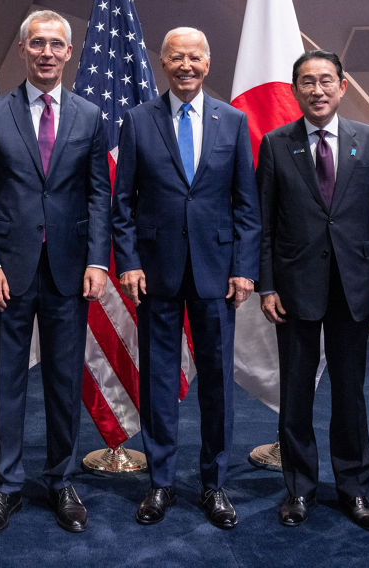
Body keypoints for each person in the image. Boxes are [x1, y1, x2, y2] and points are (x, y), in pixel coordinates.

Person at [0, 10, 111, 536]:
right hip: (7, 271)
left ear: (69, 53)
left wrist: (98, 260)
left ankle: (61, 479)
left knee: (63, 379)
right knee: (6, 380)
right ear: (24, 50)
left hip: (71, 272)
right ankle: (5, 486)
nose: (47, 53)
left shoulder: (90, 115)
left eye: (56, 45)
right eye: (37, 44)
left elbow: (99, 192)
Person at [111, 27, 259, 529]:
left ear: (208, 62)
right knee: (157, 380)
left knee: (217, 380)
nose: (186, 66)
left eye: (195, 57)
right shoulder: (137, 120)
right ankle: (161, 482)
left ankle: (214, 483)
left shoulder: (233, 121)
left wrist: (243, 268)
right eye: (177, 58)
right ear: (163, 62)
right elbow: (122, 204)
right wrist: (127, 261)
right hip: (155, 273)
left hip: (218, 273)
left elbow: (247, 207)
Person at [256, 50, 369, 532]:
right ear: (295, 90)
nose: (317, 90)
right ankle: (299, 489)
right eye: (306, 82)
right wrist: (266, 284)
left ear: (342, 85)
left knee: (349, 393)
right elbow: (265, 224)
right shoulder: (276, 144)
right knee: (295, 392)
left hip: (355, 287)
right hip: (294, 287)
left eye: (325, 81)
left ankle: (354, 489)